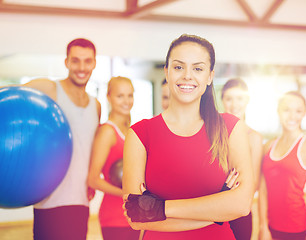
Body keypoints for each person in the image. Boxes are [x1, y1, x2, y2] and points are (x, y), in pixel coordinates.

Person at [122, 34, 254, 240]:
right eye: (178, 67)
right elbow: (136, 218)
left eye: (198, 69)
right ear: (167, 71)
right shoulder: (140, 134)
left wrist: (161, 208)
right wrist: (217, 211)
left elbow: (242, 204)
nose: (187, 76)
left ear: (209, 77)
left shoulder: (230, 128)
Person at [12, 38, 101, 240]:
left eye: (87, 61)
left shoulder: (96, 105)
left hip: (80, 200)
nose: (81, 67)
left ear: (94, 63)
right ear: (66, 62)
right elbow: (10, 97)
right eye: (75, 60)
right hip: (50, 200)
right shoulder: (50, 89)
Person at [258, 91, 306, 240]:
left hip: (299, 227)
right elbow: (262, 190)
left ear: (304, 114)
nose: (292, 116)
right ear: (278, 111)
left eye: (298, 111)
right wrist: (263, 226)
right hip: (271, 226)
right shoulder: (268, 146)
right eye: (286, 109)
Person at [88, 76, 140, 240]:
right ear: (109, 97)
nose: (126, 101)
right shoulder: (107, 132)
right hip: (114, 217)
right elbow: (93, 179)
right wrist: (126, 194)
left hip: (133, 215)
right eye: (120, 96)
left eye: (129, 95)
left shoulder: (130, 130)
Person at [221, 78, 263, 240]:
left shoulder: (254, 137)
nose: (234, 104)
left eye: (240, 98)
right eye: (229, 98)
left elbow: (254, 184)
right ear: (222, 100)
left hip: (240, 213)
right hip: (211, 212)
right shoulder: (213, 134)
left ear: (247, 100)